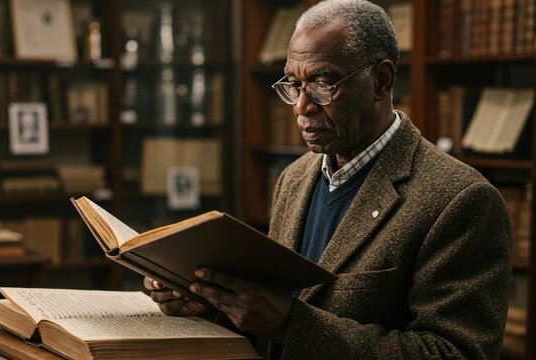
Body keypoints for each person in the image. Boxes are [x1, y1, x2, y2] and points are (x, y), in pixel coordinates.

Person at [144, 1, 512, 358]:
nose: (302, 107)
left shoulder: (460, 199)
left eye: (323, 82)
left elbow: (452, 352)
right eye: (293, 84)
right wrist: (211, 304)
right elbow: (270, 325)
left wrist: (292, 324)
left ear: (380, 81)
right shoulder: (294, 178)